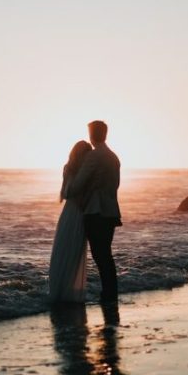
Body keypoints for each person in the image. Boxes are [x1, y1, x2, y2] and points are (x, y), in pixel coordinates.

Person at [67, 120, 121, 302]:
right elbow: (116, 185)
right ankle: (110, 293)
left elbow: (78, 185)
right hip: (111, 212)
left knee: (100, 255)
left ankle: (108, 295)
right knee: (106, 254)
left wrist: (67, 188)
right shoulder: (113, 157)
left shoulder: (94, 156)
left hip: (95, 212)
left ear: (92, 135)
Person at [48, 140, 92, 302]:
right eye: (86, 153)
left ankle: (66, 291)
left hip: (74, 212)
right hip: (74, 213)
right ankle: (62, 291)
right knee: (66, 250)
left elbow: (66, 193)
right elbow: (66, 193)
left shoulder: (81, 170)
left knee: (72, 251)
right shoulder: (72, 169)